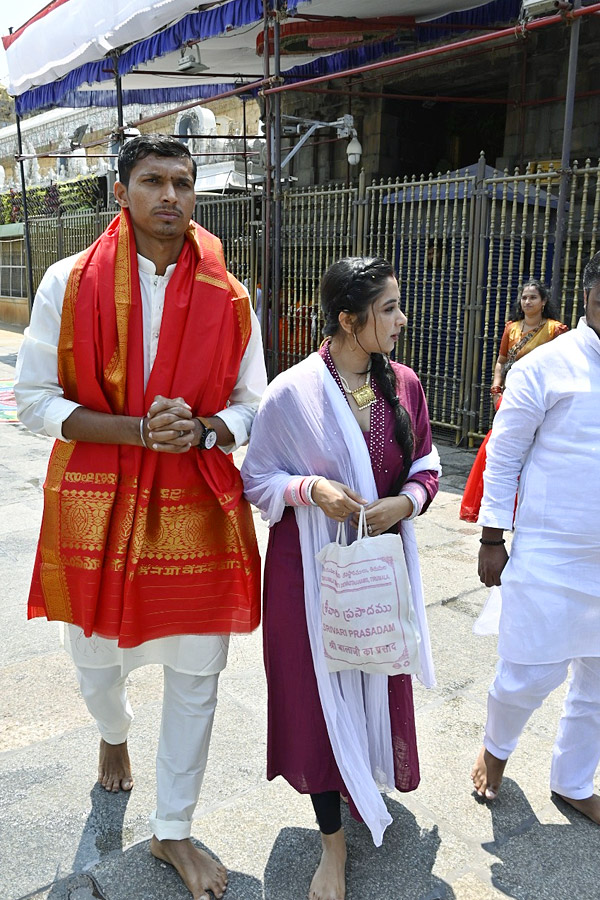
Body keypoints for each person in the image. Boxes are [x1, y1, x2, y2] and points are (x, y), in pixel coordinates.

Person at [15, 134, 267, 900]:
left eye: (183, 183)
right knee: (96, 665)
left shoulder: (231, 295)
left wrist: (204, 429)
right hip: (97, 502)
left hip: (193, 502)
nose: (170, 197)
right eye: (152, 181)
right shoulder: (67, 281)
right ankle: (113, 732)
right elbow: (31, 402)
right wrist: (134, 430)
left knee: (198, 672)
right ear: (121, 192)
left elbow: (254, 404)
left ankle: (174, 830)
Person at [241, 257, 440, 900]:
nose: (402, 320)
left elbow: (428, 466)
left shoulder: (402, 385)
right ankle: (332, 846)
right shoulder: (291, 393)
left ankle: (367, 776)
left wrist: (403, 502)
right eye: (389, 309)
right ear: (349, 322)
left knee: (376, 679)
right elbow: (256, 479)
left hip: (378, 571)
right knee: (316, 697)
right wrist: (310, 488)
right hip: (307, 573)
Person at [471, 252, 600, 823]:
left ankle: (573, 781)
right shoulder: (546, 365)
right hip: (552, 549)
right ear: (588, 298)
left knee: (599, 682)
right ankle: (496, 751)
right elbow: (504, 457)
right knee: (527, 673)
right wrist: (492, 538)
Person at [459, 279, 567, 523]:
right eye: (524, 297)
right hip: (512, 396)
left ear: (544, 301)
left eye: (533, 297)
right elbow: (501, 360)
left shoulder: (555, 330)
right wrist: (497, 389)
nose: (527, 301)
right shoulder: (512, 328)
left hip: (543, 398)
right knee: (503, 447)